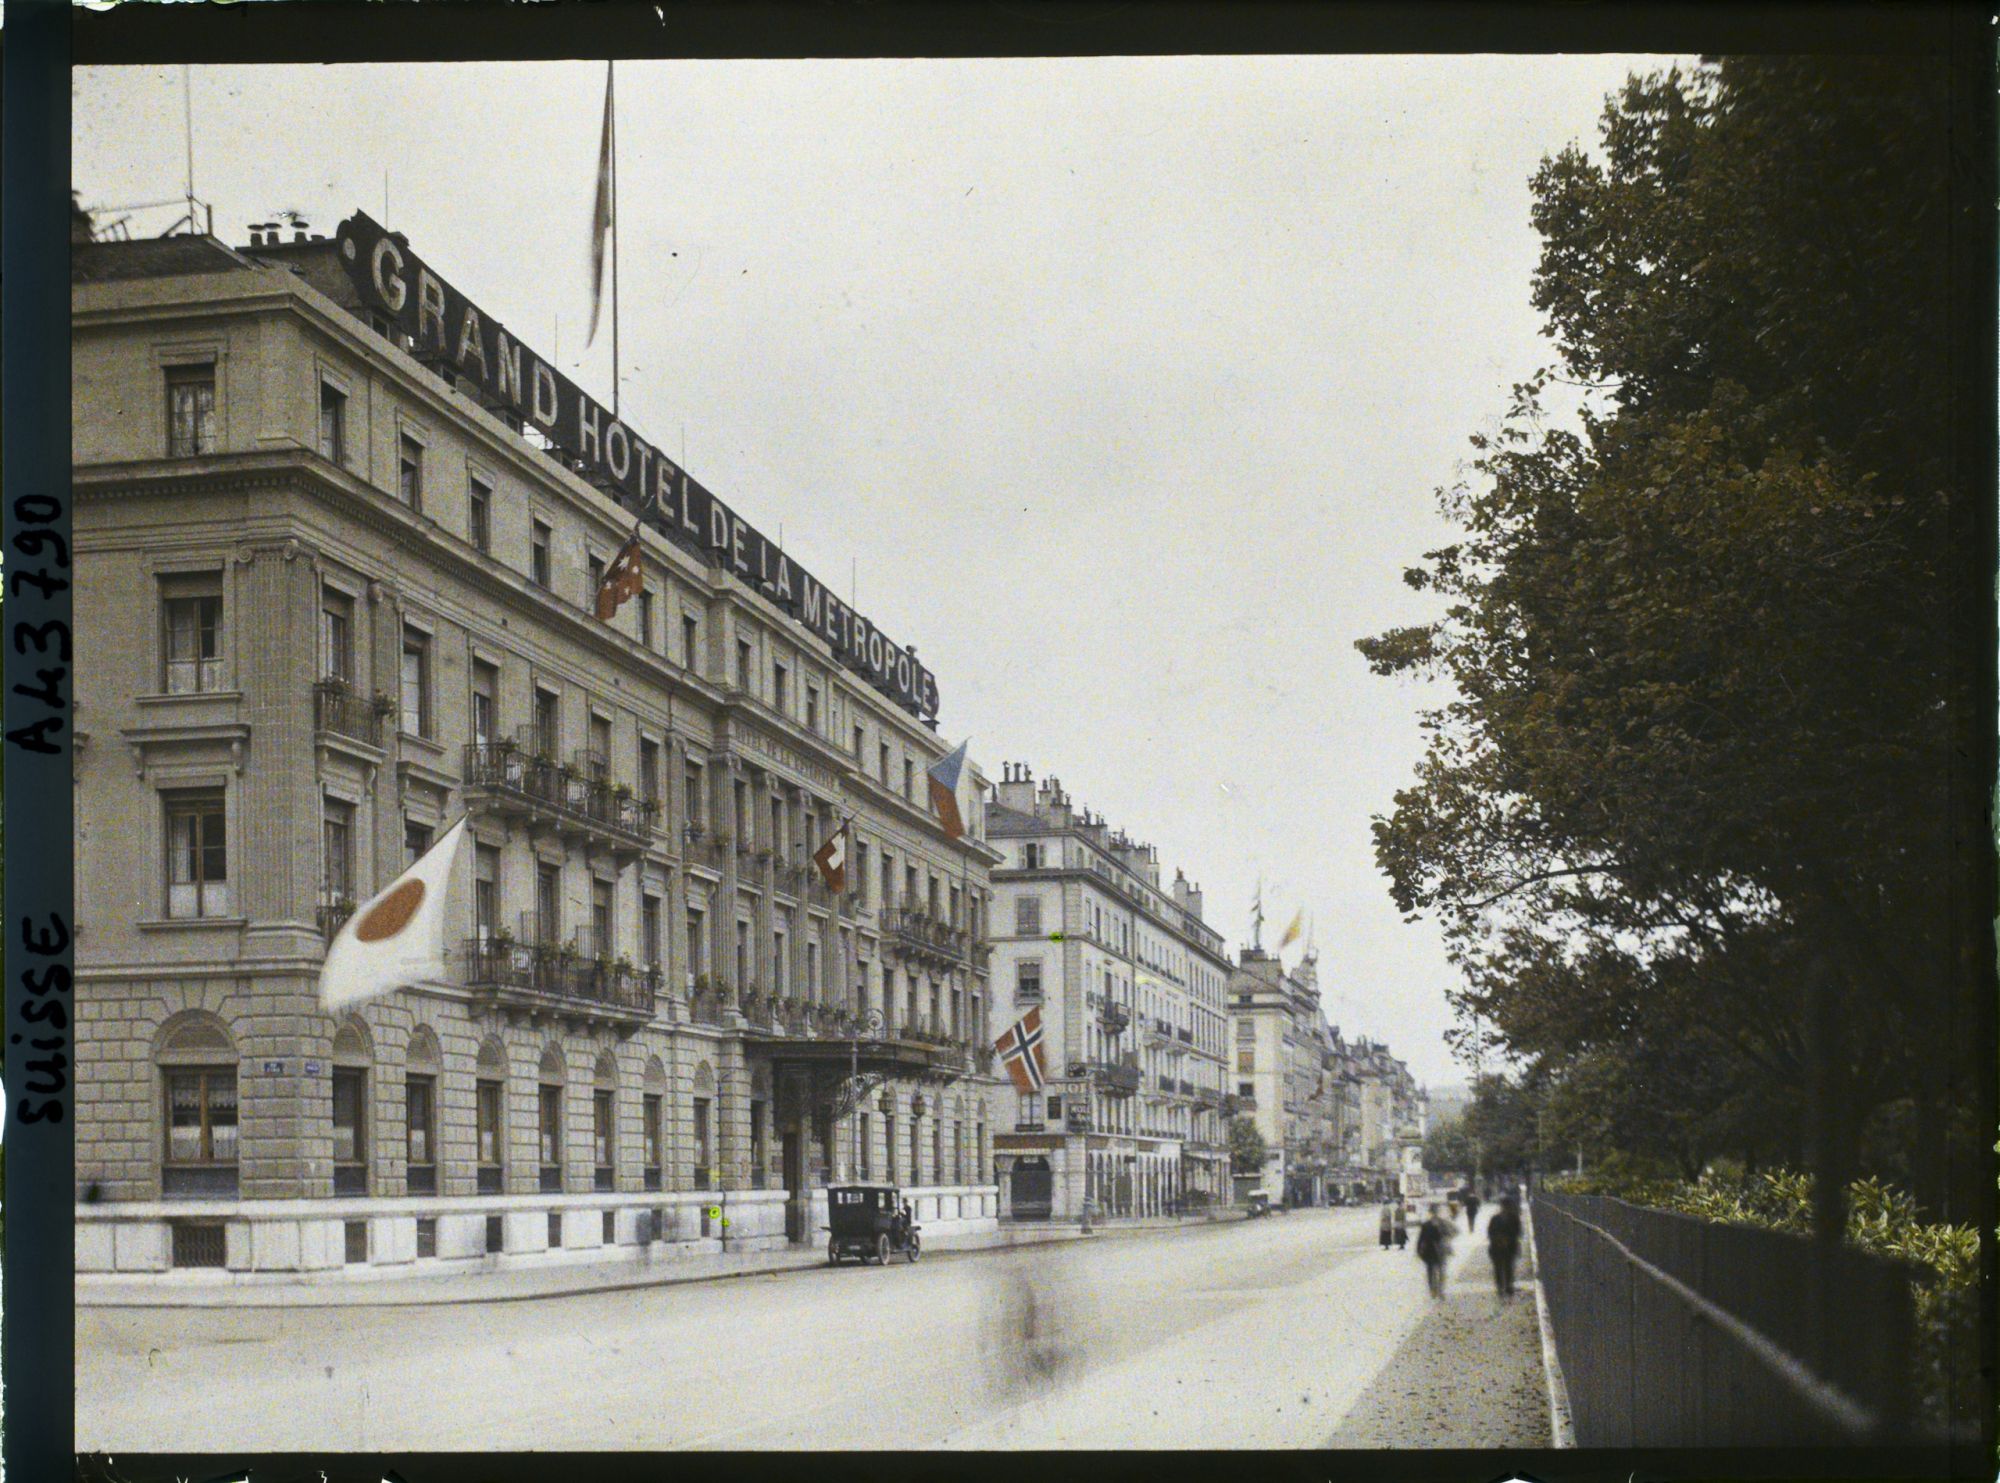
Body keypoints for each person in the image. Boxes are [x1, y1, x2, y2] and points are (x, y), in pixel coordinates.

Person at [1487, 1193, 1522, 1299]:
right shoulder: (1495, 1218)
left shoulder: (1513, 1218)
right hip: (1496, 1247)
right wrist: (1499, 1240)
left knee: (1508, 1267)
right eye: (1505, 1205)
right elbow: (1490, 1232)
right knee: (1499, 1267)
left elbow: (1517, 1232)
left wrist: (1508, 1240)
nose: (1506, 1208)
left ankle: (1507, 1285)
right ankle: (1501, 1286)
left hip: (1509, 1246)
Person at [1415, 1203, 1453, 1298]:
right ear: (1432, 1212)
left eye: (1436, 1211)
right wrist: (1419, 1250)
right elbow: (1421, 1238)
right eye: (1434, 1211)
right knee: (1432, 1271)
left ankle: (1439, 1290)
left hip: (1439, 1250)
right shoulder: (1427, 1224)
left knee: (1440, 1271)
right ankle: (1434, 1289)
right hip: (1431, 1251)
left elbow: (1450, 1234)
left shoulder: (1442, 1223)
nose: (1435, 1213)